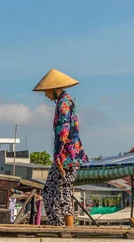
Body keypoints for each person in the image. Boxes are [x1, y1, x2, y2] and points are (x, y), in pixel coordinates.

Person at [33, 69, 88, 226]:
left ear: (54, 89)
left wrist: (57, 156)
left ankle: (68, 230)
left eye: (46, 91)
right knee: (50, 192)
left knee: (63, 191)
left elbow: (63, 131)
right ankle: (59, 227)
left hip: (68, 156)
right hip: (65, 155)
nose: (45, 95)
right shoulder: (63, 101)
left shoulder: (64, 103)